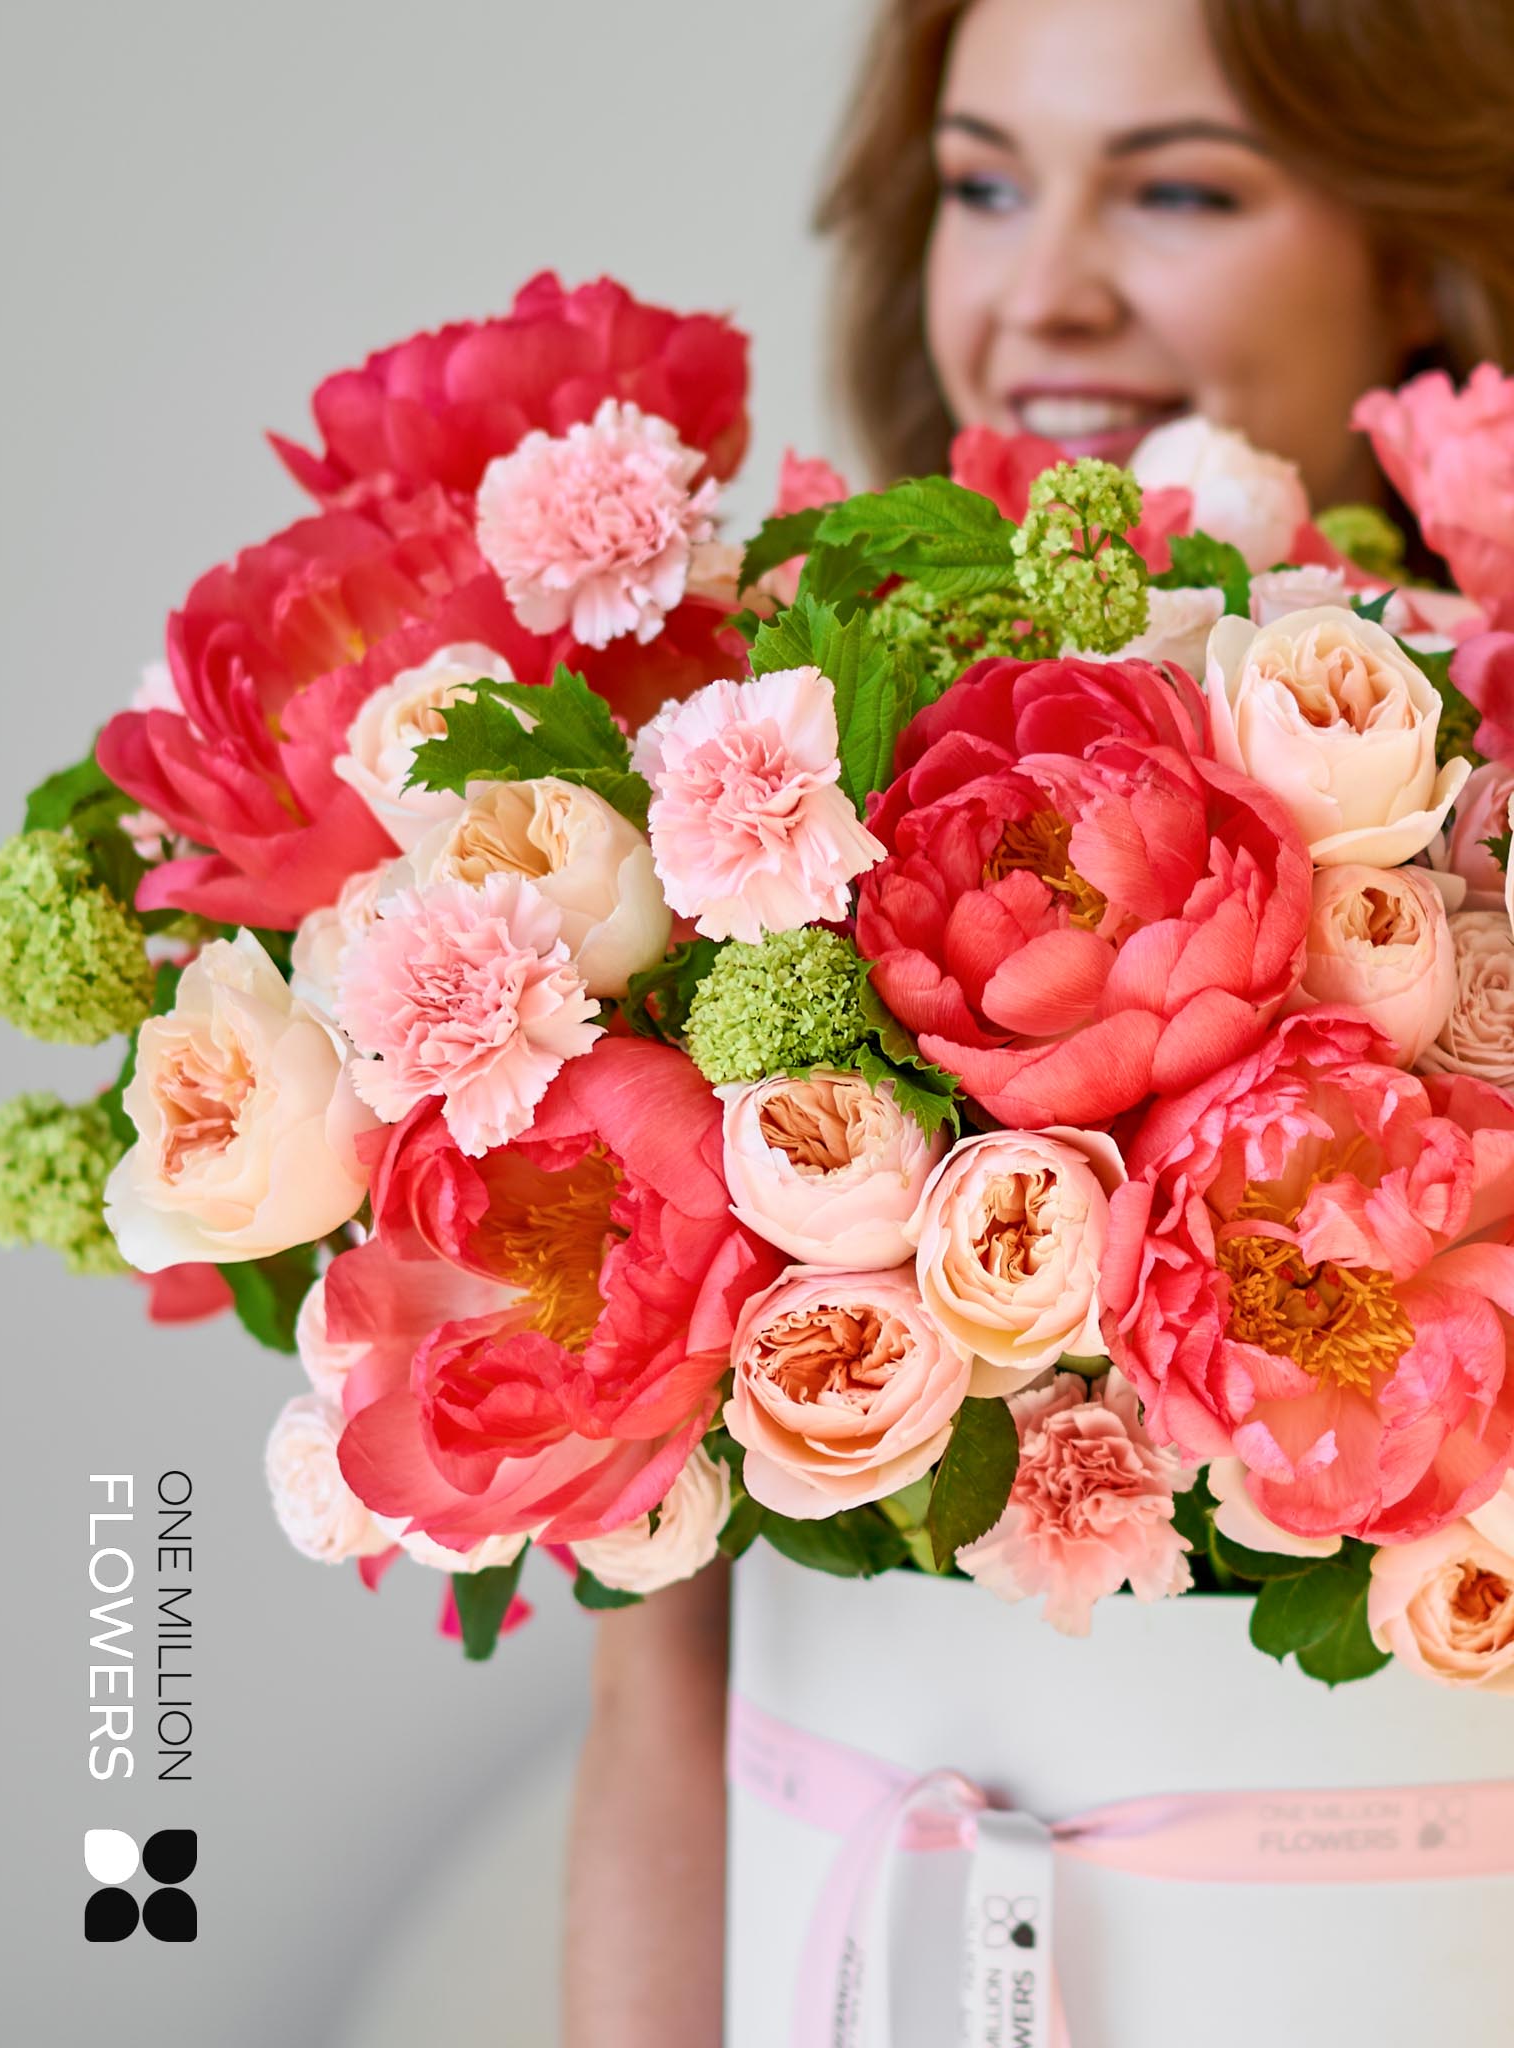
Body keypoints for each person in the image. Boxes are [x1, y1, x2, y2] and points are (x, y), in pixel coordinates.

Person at [561, 2, 1514, 2042]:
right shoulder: (786, 818)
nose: (1041, 288)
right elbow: (668, 1713)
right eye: (985, 184)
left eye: (1178, 191)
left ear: (1419, 254)